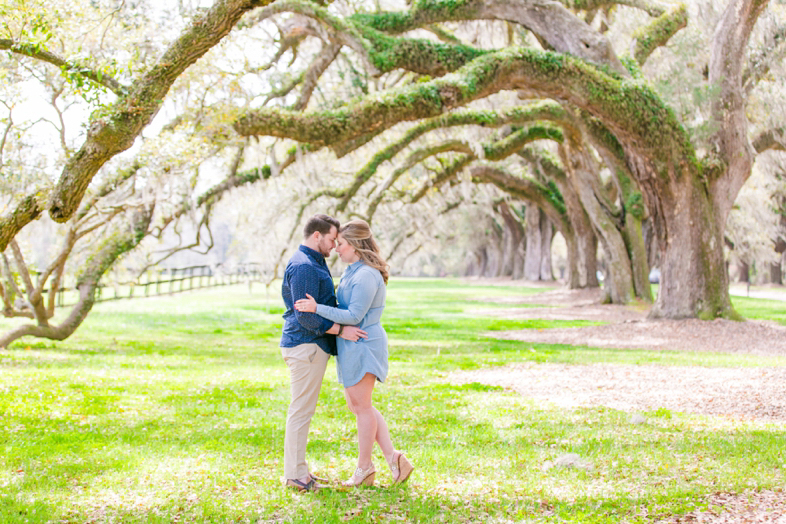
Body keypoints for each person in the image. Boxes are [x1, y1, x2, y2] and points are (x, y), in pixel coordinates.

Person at [295, 219, 414, 487]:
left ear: (356, 246)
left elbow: (354, 315)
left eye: (342, 244)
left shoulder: (366, 275)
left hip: (363, 344)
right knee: (360, 406)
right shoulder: (352, 271)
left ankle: (364, 469)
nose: (337, 248)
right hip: (350, 344)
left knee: (362, 409)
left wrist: (317, 309)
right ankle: (394, 459)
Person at [280, 214, 368, 493]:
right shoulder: (305, 265)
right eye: (332, 239)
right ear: (316, 236)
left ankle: (299, 472)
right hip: (305, 345)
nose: (334, 246)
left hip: (312, 346)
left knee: (304, 409)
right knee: (301, 410)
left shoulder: (314, 262)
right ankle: (295, 476)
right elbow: (305, 317)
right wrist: (341, 330)